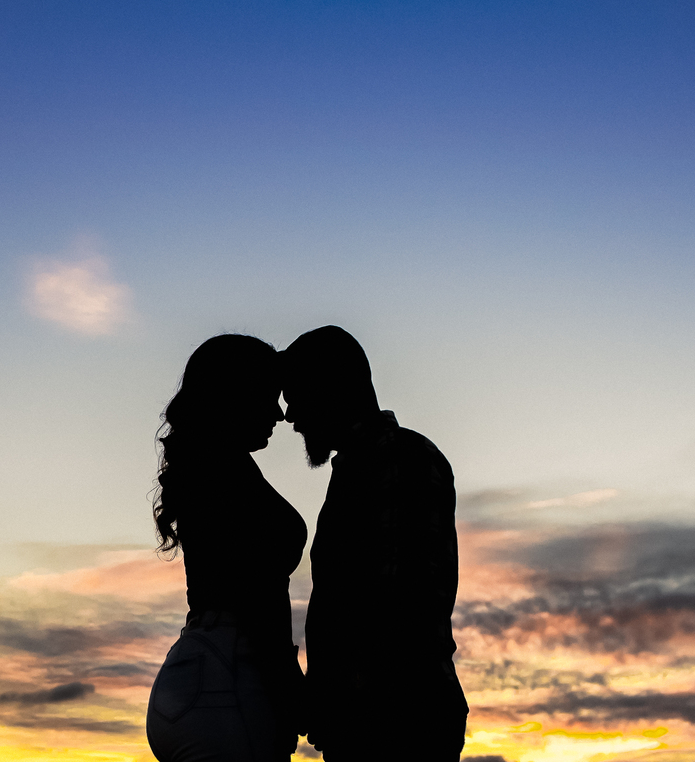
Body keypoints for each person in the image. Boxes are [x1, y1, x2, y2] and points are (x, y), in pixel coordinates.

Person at [282, 326, 468, 762]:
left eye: (295, 396)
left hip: (396, 720)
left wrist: (341, 700)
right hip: (375, 715)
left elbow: (395, 604)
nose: (289, 415)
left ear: (329, 388)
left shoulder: (400, 459)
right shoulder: (359, 465)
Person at [146, 334, 307, 762]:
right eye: (268, 397)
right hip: (229, 685)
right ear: (237, 394)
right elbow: (257, 595)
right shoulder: (226, 475)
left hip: (194, 673)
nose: (278, 413)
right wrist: (290, 688)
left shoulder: (214, 466)